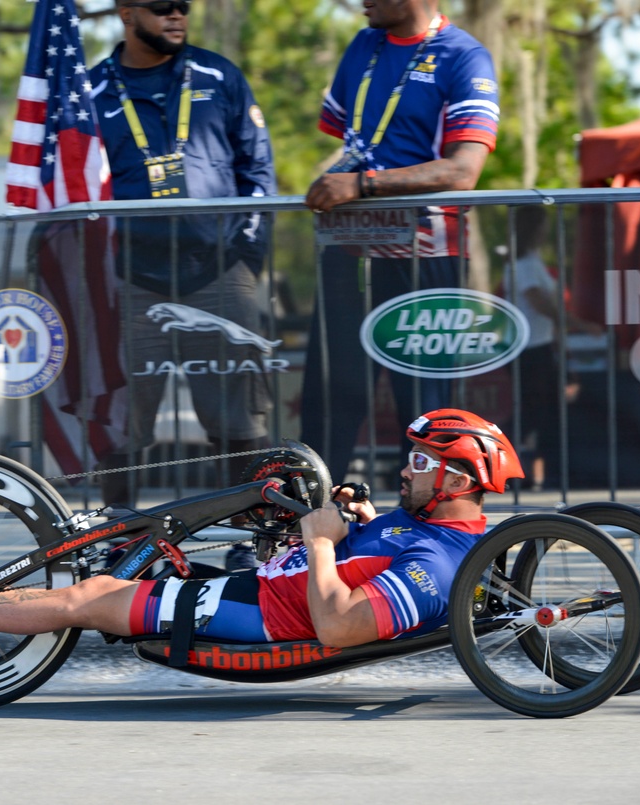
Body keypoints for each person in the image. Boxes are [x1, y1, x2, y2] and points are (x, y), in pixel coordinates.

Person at [0, 409, 524, 659]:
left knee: (91, 596)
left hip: (260, 612)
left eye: (418, 462)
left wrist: (321, 539)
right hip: (265, 582)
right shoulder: (429, 522)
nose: (404, 469)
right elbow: (372, 557)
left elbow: (341, 626)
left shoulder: (438, 562)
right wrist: (355, 516)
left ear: (456, 477)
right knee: (113, 544)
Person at [88, 0, 277, 568]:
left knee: (239, 422)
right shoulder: (91, 91)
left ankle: (255, 542)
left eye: (185, 6)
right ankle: (121, 541)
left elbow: (258, 171)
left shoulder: (220, 76)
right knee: (122, 419)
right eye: (162, 5)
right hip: (130, 280)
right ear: (125, 11)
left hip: (219, 272)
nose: (177, 15)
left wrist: (246, 258)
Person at [300, 0, 500, 484]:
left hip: (426, 256)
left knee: (426, 411)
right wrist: (347, 180)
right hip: (350, 250)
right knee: (330, 401)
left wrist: (363, 185)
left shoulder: (465, 55)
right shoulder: (364, 45)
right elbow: (346, 135)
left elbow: (463, 170)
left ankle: (434, 539)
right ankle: (310, 538)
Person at [503, 205, 602, 490]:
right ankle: (501, 464)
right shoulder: (521, 264)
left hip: (543, 346)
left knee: (545, 413)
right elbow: (541, 304)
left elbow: (548, 308)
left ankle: (544, 475)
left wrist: (562, 344)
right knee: (532, 413)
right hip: (528, 348)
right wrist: (581, 325)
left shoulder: (531, 261)